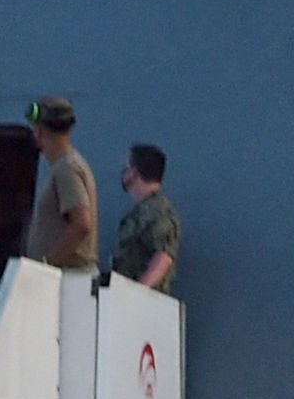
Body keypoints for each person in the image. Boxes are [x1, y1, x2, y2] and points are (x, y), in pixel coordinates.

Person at [19, 97, 97, 274]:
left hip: (67, 279)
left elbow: (82, 224)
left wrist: (48, 265)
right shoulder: (66, 165)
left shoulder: (66, 168)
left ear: (39, 130)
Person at [110, 144, 181, 292]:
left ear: (134, 173)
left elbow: (164, 256)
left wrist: (138, 293)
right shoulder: (141, 212)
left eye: (126, 167)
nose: (124, 172)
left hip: (146, 306)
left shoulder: (158, 211)